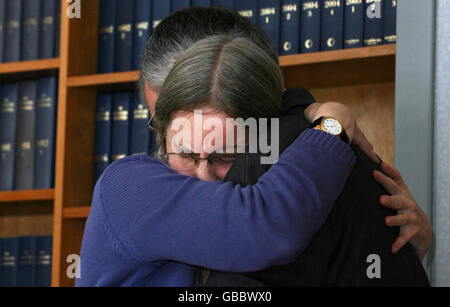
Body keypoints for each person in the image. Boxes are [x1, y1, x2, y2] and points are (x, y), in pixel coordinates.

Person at [140, 6, 431, 264]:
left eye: (224, 150)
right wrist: (334, 121)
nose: (201, 176)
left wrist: (410, 253)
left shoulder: (285, 150)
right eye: (165, 125)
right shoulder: (132, 187)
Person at [77, 37, 359, 287]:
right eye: (186, 154)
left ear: (268, 143)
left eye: (225, 156)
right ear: (161, 136)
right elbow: (267, 226)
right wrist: (334, 122)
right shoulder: (126, 187)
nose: (203, 176)